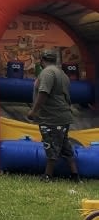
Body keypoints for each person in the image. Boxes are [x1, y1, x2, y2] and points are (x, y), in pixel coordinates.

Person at [26, 50, 81, 183]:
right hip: (63, 116)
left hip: (52, 117)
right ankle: (75, 176)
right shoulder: (62, 74)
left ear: (41, 60)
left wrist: (33, 111)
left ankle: (47, 176)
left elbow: (44, 92)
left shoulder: (47, 73)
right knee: (64, 145)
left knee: (50, 145)